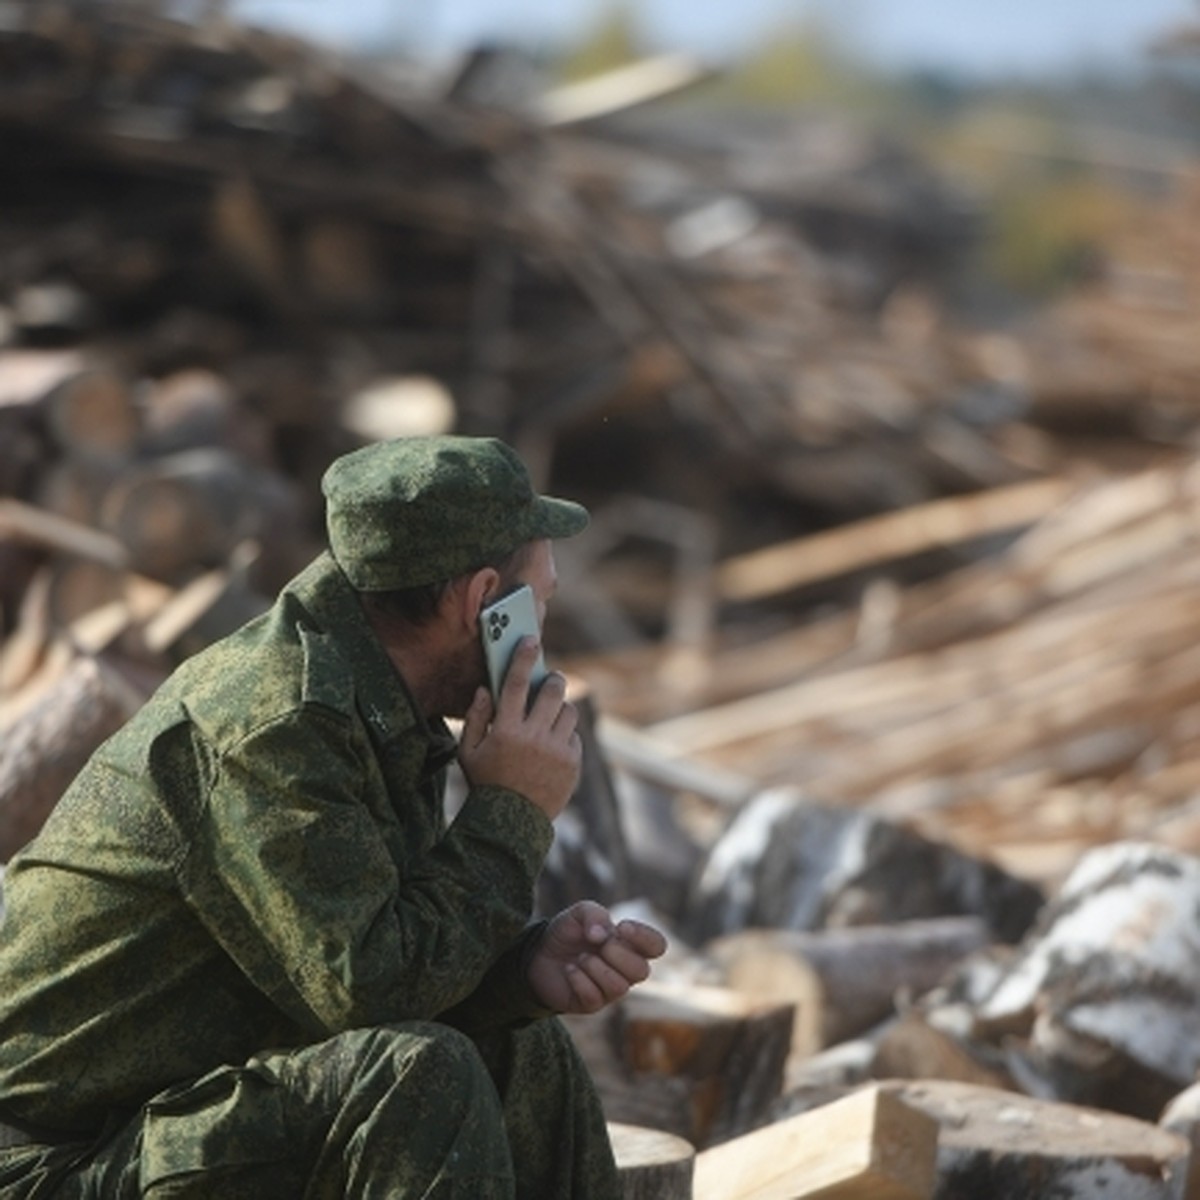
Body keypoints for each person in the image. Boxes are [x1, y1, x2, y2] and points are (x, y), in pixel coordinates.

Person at [0, 435, 667, 1198]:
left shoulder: (370, 687)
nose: (539, 635)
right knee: (415, 1076)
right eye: (536, 603)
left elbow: (373, 955)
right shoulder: (273, 728)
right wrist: (512, 812)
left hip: (160, 1116)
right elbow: (370, 998)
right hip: (54, 1163)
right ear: (483, 602)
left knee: (524, 1047)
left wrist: (520, 972)